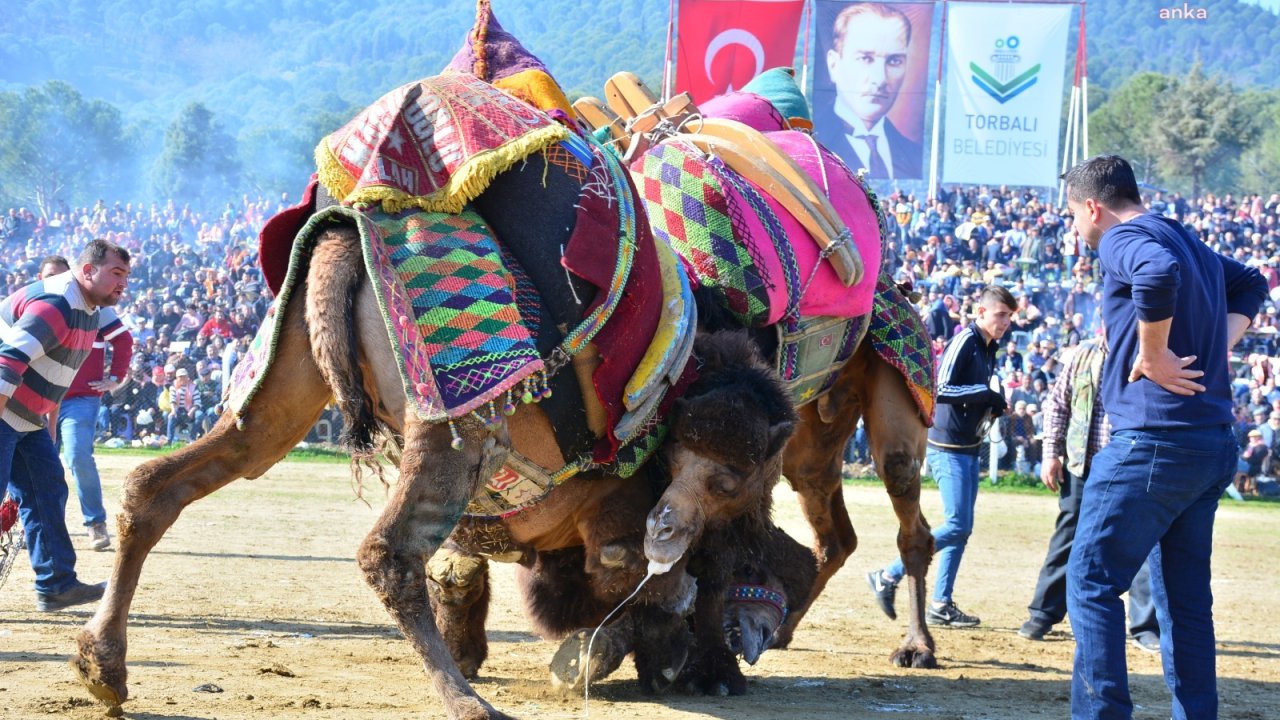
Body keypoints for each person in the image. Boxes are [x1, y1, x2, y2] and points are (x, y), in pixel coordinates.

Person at [1061, 155, 1268, 720]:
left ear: (1093, 206)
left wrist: (1152, 356)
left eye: (1073, 216)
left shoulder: (1122, 240)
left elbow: (1153, 274)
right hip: (1209, 442)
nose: (1076, 229)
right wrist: (1217, 345)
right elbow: (1252, 281)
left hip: (1153, 442)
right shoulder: (1188, 239)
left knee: (1091, 582)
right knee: (1184, 600)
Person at [867, 284, 1015, 627]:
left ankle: (940, 603)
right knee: (958, 524)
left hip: (966, 446)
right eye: (1001, 314)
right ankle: (888, 575)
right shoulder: (966, 340)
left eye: (1009, 316)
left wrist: (991, 399)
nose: (1006, 322)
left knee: (961, 528)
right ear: (981, 313)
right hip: (949, 447)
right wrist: (985, 394)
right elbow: (942, 387)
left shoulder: (990, 347)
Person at [1, 238, 131, 611]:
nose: (123, 283)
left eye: (126, 276)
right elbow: (8, 361)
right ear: (87, 270)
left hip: (25, 416)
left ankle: (56, 585)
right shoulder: (58, 303)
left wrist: (48, 425)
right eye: (116, 273)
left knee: (46, 492)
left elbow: (57, 376)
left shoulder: (88, 308)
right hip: (4, 408)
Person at [1018, 336, 1159, 653]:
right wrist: (1051, 454)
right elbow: (1057, 404)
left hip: (1132, 467)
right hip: (1083, 465)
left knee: (1143, 543)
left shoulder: (1153, 351)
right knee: (1067, 537)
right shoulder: (1083, 353)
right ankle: (1043, 613)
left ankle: (1145, 627)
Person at [38, 256, 133, 552]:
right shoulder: (36, 307)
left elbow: (124, 341)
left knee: (78, 456)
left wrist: (115, 378)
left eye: (60, 275)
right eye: (49, 276)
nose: (55, 281)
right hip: (41, 400)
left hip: (79, 400)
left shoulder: (96, 310)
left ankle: (95, 524)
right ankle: (38, 527)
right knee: (37, 464)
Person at [817, 3, 923, 180]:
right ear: (834, 64)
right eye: (865, 58)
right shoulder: (812, 146)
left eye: (894, 61)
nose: (880, 79)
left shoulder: (911, 153)